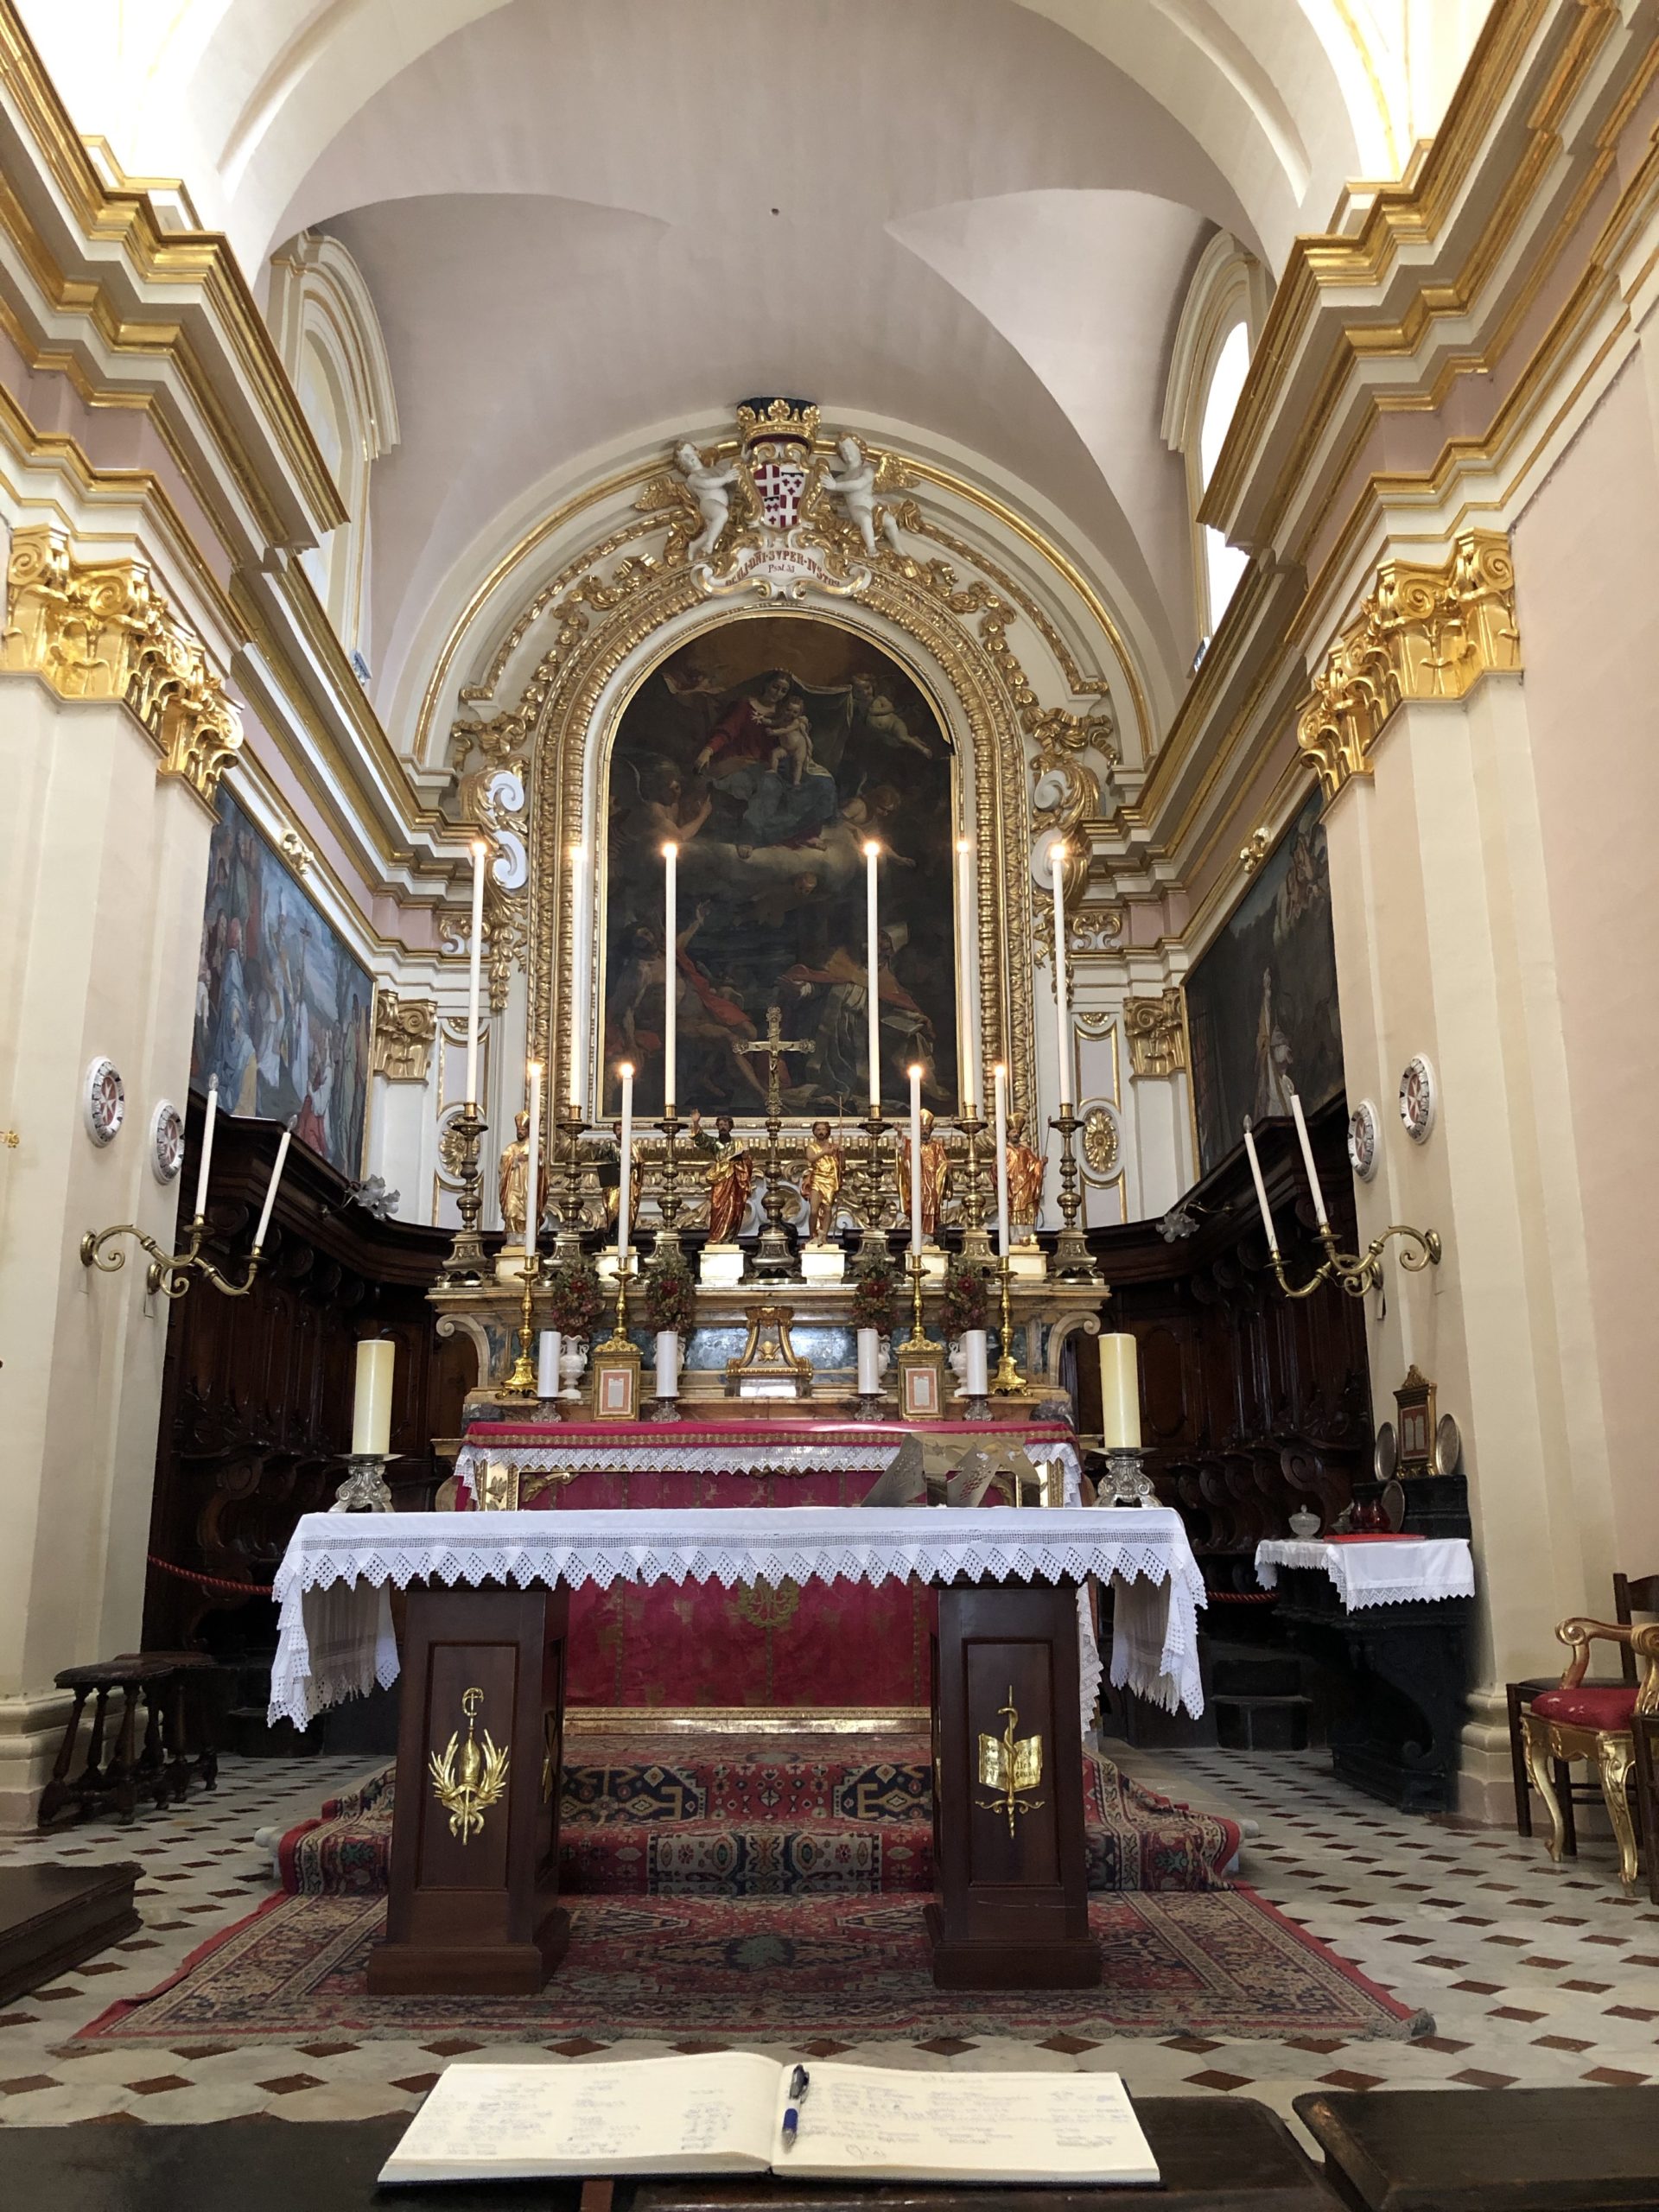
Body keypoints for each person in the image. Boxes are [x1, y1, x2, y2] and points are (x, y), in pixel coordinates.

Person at [690, 1109, 753, 1243]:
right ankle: (716, 1237)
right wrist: (695, 1123)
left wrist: (745, 1159)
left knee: (733, 1208)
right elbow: (701, 1139)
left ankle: (728, 1238)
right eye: (720, 1125)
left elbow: (746, 1163)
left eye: (725, 1125)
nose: (723, 1127)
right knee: (717, 1207)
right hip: (720, 1180)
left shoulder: (737, 1144)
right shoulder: (715, 1143)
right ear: (717, 1127)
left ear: (730, 1127)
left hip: (734, 1180)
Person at [896, 1105, 950, 1242]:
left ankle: (928, 1236)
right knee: (917, 1206)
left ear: (931, 1129)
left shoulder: (936, 1146)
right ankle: (917, 1235)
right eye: (922, 1129)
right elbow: (902, 1151)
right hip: (918, 1183)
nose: (925, 1131)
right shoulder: (912, 1144)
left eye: (927, 1129)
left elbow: (942, 1163)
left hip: (932, 1183)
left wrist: (947, 1166)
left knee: (931, 1206)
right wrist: (900, 1133)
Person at [498, 1107, 548, 1243]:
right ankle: (513, 1236)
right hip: (513, 1186)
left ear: (528, 1131)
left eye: (523, 1129)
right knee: (511, 1209)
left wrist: (540, 1158)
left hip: (528, 1186)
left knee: (528, 1210)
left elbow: (543, 1167)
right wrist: (514, 1159)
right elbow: (503, 1163)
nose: (520, 1132)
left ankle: (526, 1237)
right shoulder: (512, 1147)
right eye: (518, 1129)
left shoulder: (535, 1146)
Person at [1004, 1111, 1046, 1243]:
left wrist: (1041, 1164)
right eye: (1013, 1132)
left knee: (1027, 1210)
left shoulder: (1025, 1151)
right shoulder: (1005, 1150)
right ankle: (1017, 1237)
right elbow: (996, 1169)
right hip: (1013, 1188)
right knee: (1015, 1210)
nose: (1016, 1134)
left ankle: (1028, 1236)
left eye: (1017, 1132)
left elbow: (1034, 1165)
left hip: (1026, 1187)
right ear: (1008, 1134)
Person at [803, 1120, 844, 1244]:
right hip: (817, 1179)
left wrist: (842, 1153)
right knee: (814, 1210)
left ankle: (824, 1236)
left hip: (830, 1180)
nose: (821, 1132)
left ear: (828, 1131)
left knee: (828, 1209)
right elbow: (811, 1158)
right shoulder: (812, 1147)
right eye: (818, 1130)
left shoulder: (834, 1147)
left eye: (823, 1129)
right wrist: (824, 1152)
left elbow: (842, 1166)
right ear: (814, 1132)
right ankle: (812, 1235)